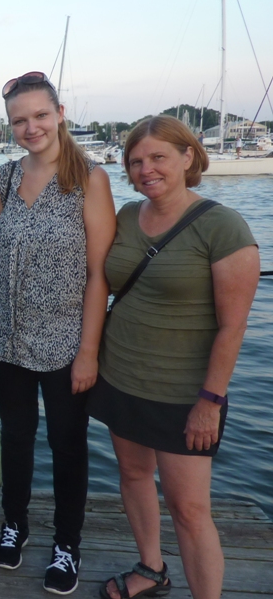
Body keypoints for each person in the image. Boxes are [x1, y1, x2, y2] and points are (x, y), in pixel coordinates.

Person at [88, 116, 258, 599]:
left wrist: (210, 401)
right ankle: (151, 567)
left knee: (189, 510)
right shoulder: (126, 216)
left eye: (158, 157)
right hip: (121, 376)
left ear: (188, 157)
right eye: (136, 161)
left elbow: (233, 326)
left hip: (184, 394)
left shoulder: (223, 226)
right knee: (133, 474)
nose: (146, 169)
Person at [0, 72, 116, 595]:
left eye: (40, 115)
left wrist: (89, 352)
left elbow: (99, 274)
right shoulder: (4, 178)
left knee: (67, 443)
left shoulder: (90, 180)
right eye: (19, 120)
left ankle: (66, 543)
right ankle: (14, 523)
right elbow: (4, 253)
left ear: (60, 114)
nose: (30, 127)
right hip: (5, 335)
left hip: (65, 342)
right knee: (15, 436)